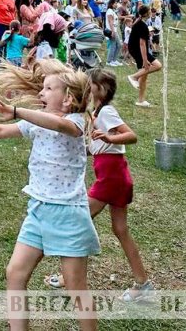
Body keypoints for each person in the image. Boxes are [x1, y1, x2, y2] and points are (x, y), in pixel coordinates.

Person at [0, 60, 99, 331]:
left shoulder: (75, 121)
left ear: (68, 99)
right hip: (37, 211)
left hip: (67, 213)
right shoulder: (36, 122)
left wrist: (17, 111)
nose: (41, 94)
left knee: (75, 287)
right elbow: (2, 130)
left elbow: (58, 126)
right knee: (15, 273)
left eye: (48, 89)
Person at [44, 68, 155, 302]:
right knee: (120, 230)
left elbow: (131, 136)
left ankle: (69, 277)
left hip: (111, 179)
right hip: (115, 175)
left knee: (77, 221)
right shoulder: (97, 112)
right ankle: (142, 283)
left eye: (90, 83)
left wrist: (110, 138)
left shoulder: (107, 112)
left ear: (100, 89)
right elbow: (98, 146)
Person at [126, 5, 161, 108]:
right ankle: (133, 77)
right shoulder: (142, 26)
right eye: (150, 11)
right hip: (137, 50)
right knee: (157, 65)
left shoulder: (140, 22)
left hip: (136, 49)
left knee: (144, 75)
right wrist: (145, 60)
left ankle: (141, 100)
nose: (151, 12)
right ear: (146, 13)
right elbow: (142, 44)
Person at [104, 0, 122, 66]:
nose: (116, 4)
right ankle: (109, 61)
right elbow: (110, 22)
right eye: (115, 3)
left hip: (114, 30)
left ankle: (114, 60)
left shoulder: (112, 11)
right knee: (113, 46)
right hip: (111, 30)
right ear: (111, 4)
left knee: (118, 45)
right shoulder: (109, 11)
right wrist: (113, 31)